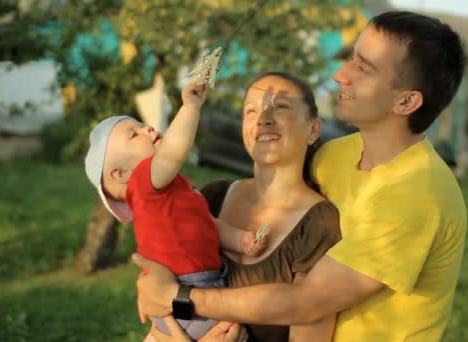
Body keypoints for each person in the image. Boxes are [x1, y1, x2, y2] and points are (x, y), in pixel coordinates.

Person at [134, 11, 468, 341]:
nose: (340, 74)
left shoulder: (416, 194)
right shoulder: (336, 155)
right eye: (352, 58)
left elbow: (307, 303)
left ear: (406, 101)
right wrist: (156, 276)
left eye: (363, 68)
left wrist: (178, 298)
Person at [143, 71, 342, 342]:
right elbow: (160, 293)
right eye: (251, 111)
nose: (263, 118)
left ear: (313, 129)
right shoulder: (212, 198)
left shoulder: (319, 223)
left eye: (281, 106)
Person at [84, 80, 266, 340]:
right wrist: (191, 107)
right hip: (185, 293)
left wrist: (240, 239)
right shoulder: (142, 184)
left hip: (199, 287)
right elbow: (172, 153)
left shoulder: (175, 189)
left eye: (141, 125)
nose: (147, 128)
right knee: (232, 334)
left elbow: (208, 225)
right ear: (122, 174)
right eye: (134, 134)